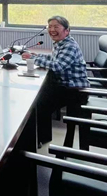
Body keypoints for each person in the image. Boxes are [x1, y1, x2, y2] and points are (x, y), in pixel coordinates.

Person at [21, 16, 89, 145]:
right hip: (65, 85)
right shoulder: (61, 43)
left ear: (67, 30)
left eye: (56, 27)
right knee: (38, 98)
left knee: (35, 103)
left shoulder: (69, 46)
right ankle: (42, 137)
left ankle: (34, 141)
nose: (52, 30)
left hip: (73, 90)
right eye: (50, 27)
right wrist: (36, 55)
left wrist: (33, 59)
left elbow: (58, 66)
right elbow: (54, 59)